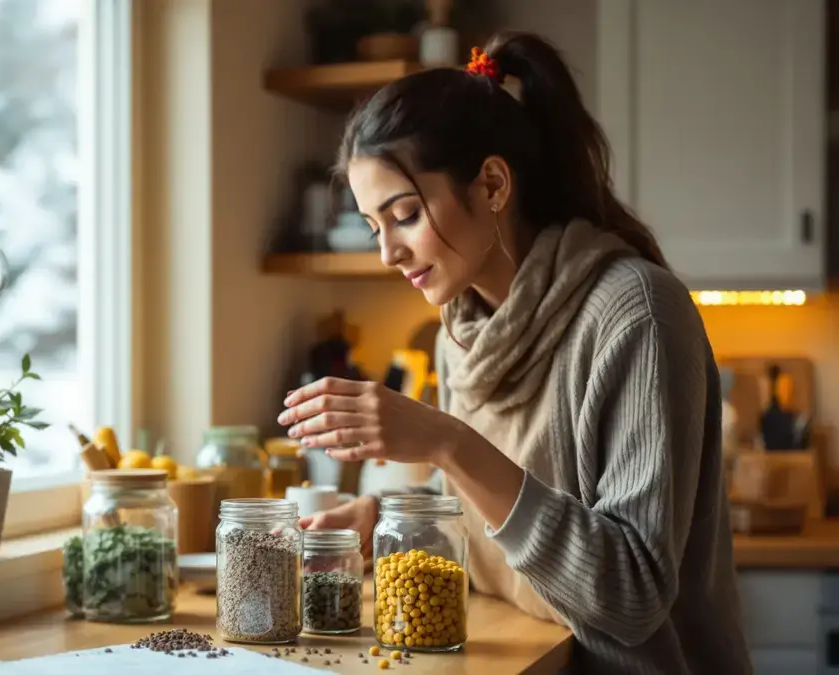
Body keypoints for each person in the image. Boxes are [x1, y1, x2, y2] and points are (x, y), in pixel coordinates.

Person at [277, 32, 751, 674]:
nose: (387, 252)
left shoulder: (634, 314)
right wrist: (388, 516)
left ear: (493, 185)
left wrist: (449, 440)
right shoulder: (462, 330)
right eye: (374, 226)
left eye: (406, 214)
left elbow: (631, 598)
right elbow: (490, 515)